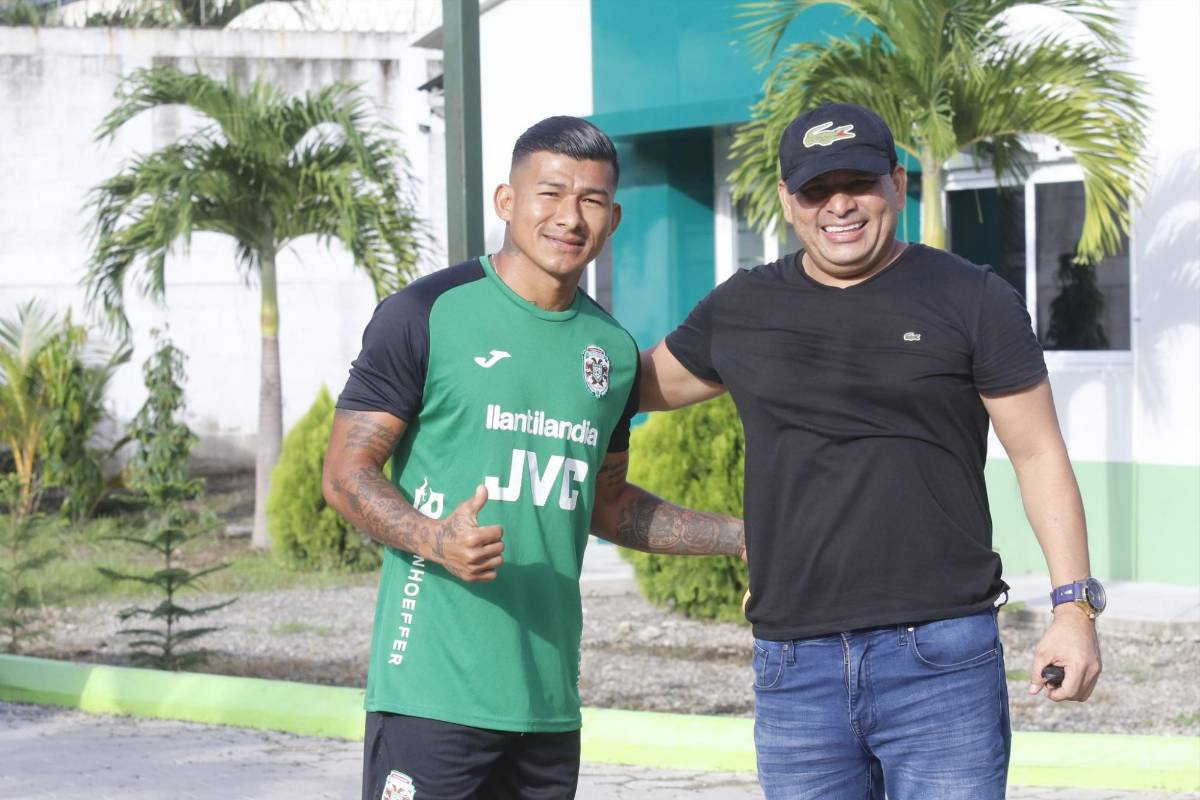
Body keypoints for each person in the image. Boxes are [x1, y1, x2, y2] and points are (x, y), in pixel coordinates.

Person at [640, 102, 1104, 799]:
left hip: (941, 659)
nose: (840, 205)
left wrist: (1073, 609)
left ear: (897, 183)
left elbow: (1039, 455)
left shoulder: (972, 298)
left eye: (858, 182)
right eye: (816, 190)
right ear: (787, 201)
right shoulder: (741, 308)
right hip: (795, 665)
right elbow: (625, 387)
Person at [322, 116, 744, 800]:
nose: (570, 217)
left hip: (547, 705)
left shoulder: (610, 351)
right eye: (550, 193)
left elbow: (608, 504)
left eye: (592, 200)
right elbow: (345, 474)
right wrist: (434, 538)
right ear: (507, 201)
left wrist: (740, 536)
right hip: (433, 692)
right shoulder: (426, 312)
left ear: (613, 219)